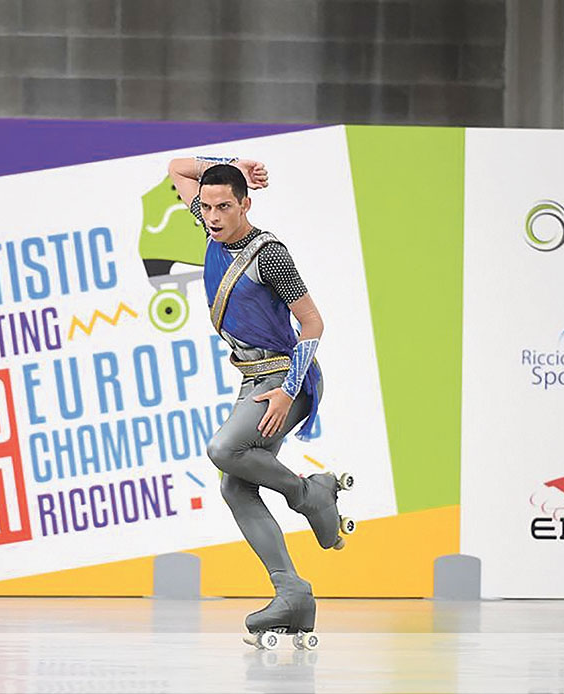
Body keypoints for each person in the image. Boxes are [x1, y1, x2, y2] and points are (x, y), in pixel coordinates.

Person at [166, 156, 352, 645]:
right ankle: (293, 593)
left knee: (223, 449)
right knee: (235, 487)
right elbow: (177, 168)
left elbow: (312, 322)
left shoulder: (268, 255)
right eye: (207, 207)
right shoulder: (211, 228)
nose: (213, 216)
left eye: (224, 206)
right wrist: (231, 164)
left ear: (245, 204)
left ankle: (310, 494)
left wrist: (289, 390)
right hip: (252, 380)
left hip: (288, 379)